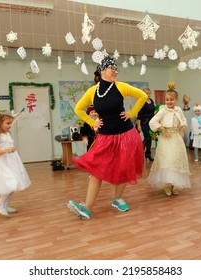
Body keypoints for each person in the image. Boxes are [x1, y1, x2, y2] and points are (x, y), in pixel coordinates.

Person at [67, 55, 147, 220]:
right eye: (113, 69)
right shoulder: (92, 91)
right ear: (103, 70)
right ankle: (86, 208)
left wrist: (131, 113)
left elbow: (143, 96)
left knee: (124, 168)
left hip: (126, 135)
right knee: (96, 171)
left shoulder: (121, 87)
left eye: (117, 69)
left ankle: (117, 199)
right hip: (105, 137)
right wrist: (92, 122)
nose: (116, 72)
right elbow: (78, 109)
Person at [0, 105, 31, 217]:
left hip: (12, 161)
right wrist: (7, 149)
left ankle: (5, 205)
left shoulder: (6, 133)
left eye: (11, 123)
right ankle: (0, 204)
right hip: (1, 163)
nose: (10, 125)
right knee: (11, 184)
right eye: (8, 123)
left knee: (15, 185)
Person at [147, 82, 191, 196]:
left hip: (176, 138)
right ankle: (167, 185)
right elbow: (153, 121)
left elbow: (183, 120)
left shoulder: (179, 110)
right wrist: (161, 128)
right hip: (165, 139)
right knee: (167, 161)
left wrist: (182, 128)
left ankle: (173, 184)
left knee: (175, 161)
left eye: (171, 100)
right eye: (167, 100)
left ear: (176, 100)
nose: (169, 102)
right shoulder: (162, 110)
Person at [136, 87, 156, 161]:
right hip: (144, 123)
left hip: (151, 123)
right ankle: (139, 154)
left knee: (150, 138)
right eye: (146, 93)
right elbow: (139, 115)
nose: (148, 95)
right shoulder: (142, 102)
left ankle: (148, 154)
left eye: (149, 93)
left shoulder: (151, 101)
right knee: (147, 137)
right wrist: (139, 125)